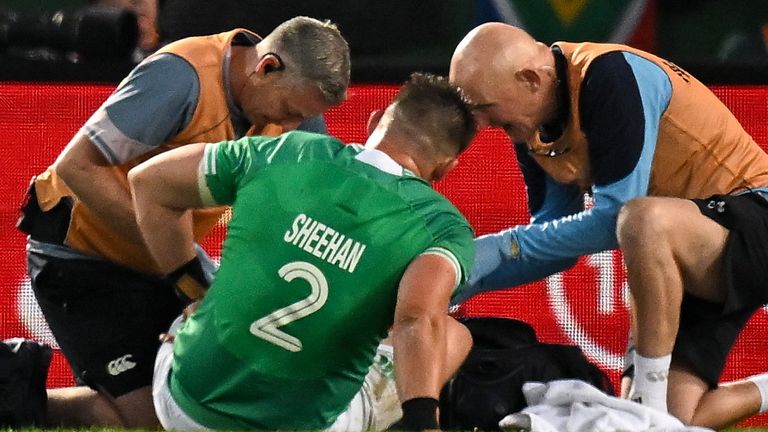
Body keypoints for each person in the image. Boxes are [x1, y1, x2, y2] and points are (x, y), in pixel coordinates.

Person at [16, 16, 350, 428]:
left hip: (170, 261)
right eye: (289, 111)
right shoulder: (180, 77)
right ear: (266, 67)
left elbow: (307, 215)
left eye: (304, 117)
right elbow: (77, 168)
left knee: (234, 402)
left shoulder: (298, 108)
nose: (293, 127)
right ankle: (6, 378)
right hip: (82, 257)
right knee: (157, 419)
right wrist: (188, 277)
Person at [448, 22, 768, 429]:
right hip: (694, 249)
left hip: (755, 219)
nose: (476, 123)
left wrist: (497, 248)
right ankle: (658, 411)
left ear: (530, 79)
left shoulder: (609, 74)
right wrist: (454, 279)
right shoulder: (530, 125)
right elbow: (554, 242)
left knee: (639, 219)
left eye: (482, 107)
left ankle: (643, 411)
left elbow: (611, 222)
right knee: (681, 416)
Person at [127, 72, 477, 431]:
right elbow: (417, 319)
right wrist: (424, 423)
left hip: (183, 408)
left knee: (215, 300)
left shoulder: (284, 149)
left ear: (374, 119)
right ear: (446, 167)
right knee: (452, 333)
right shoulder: (443, 226)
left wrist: (191, 289)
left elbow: (148, 182)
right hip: (304, 424)